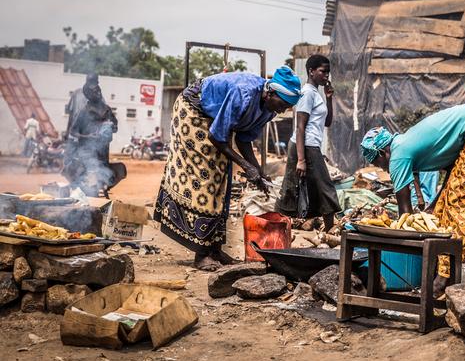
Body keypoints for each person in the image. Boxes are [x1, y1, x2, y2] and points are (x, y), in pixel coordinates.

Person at [361, 100, 465, 295]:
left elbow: (405, 214)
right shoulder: (408, 142)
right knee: (462, 206)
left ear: (383, 152)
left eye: (378, 162)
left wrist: (406, 241)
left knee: (459, 208)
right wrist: (433, 205)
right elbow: (454, 172)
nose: (382, 168)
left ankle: (444, 278)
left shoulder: (397, 155)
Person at [154, 67, 301, 271]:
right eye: (283, 104)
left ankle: (215, 249)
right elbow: (217, 137)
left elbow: (243, 139)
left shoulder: (269, 109)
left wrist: (258, 171)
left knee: (223, 180)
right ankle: (201, 254)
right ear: (270, 93)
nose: (283, 110)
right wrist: (245, 166)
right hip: (194, 110)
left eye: (287, 107)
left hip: (214, 121)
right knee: (205, 178)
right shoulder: (244, 93)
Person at [276, 55, 340, 229]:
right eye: (322, 71)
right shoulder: (307, 93)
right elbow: (300, 127)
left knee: (305, 188)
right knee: (321, 187)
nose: (326, 75)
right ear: (311, 71)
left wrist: (329, 98)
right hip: (305, 146)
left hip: (310, 145)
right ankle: (329, 229)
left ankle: (326, 229)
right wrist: (301, 160)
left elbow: (327, 122)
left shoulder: (316, 94)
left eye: (328, 72)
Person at [63, 73, 119, 196]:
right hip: (86, 150)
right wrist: (87, 137)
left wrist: (109, 128)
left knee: (102, 173)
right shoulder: (83, 107)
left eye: (98, 89)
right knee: (90, 174)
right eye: (95, 90)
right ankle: (87, 193)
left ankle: (95, 191)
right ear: (88, 93)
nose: (98, 92)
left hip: (102, 150)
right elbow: (73, 128)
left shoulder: (106, 109)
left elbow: (115, 126)